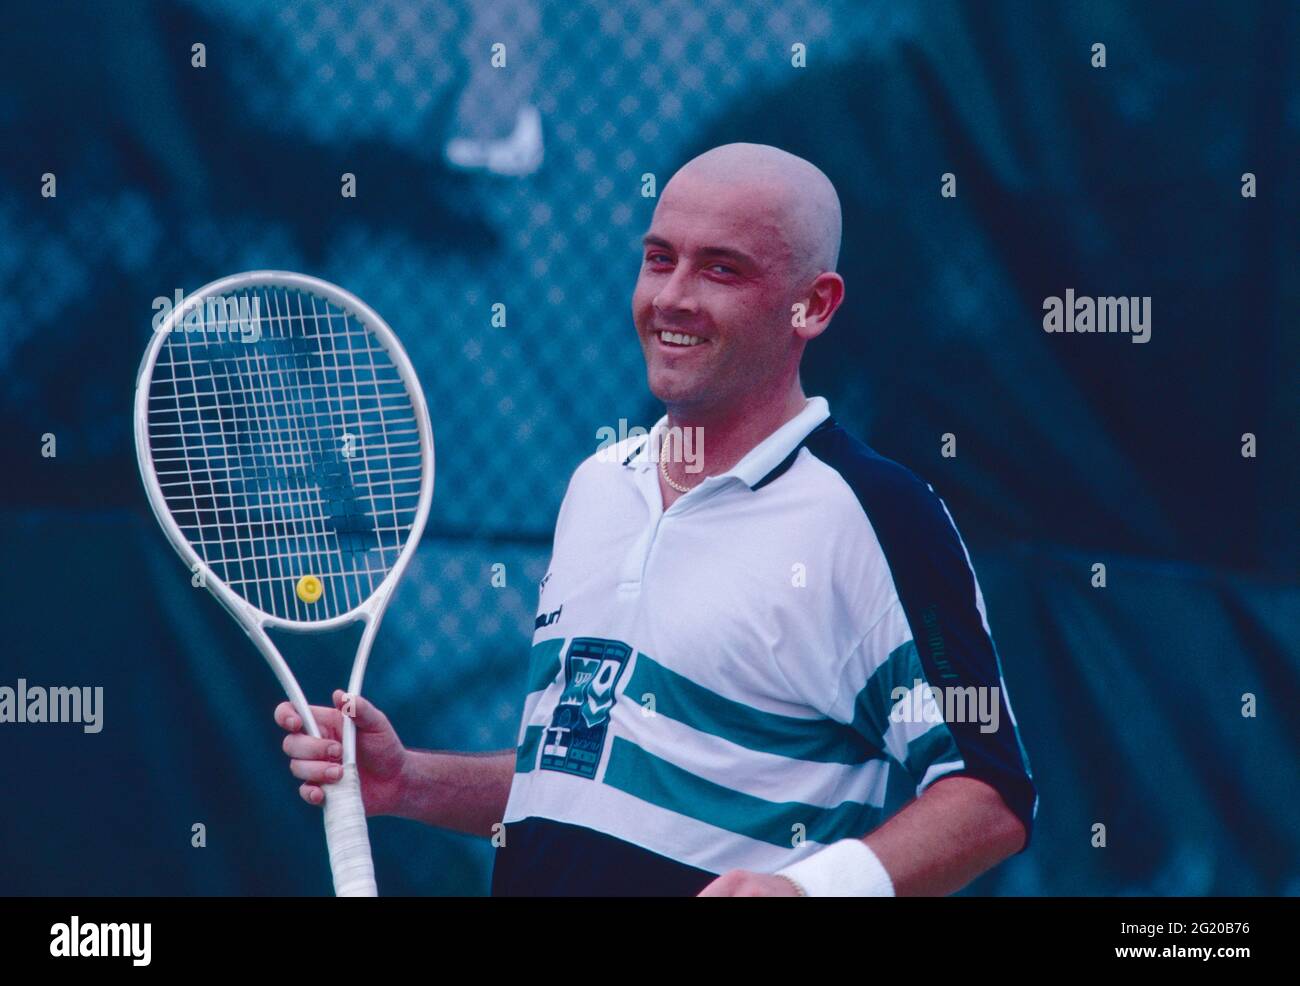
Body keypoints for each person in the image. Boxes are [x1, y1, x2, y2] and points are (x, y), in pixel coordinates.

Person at [277, 143, 1037, 896]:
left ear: (815, 304)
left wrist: (808, 892)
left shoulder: (882, 516)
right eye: (658, 258)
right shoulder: (599, 484)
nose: (672, 297)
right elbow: (576, 781)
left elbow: (988, 796)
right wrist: (412, 782)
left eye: (720, 268)